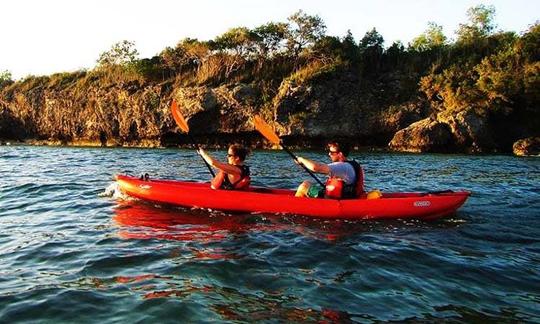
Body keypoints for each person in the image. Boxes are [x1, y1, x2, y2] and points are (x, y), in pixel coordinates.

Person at [295, 140, 364, 199]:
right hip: (344, 196)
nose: (329, 154)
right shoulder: (348, 165)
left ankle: (296, 207)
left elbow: (316, 167)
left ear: (340, 154)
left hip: (337, 200)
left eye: (332, 152)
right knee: (308, 183)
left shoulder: (341, 166)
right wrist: (305, 164)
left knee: (304, 186)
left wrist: (301, 159)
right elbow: (318, 170)